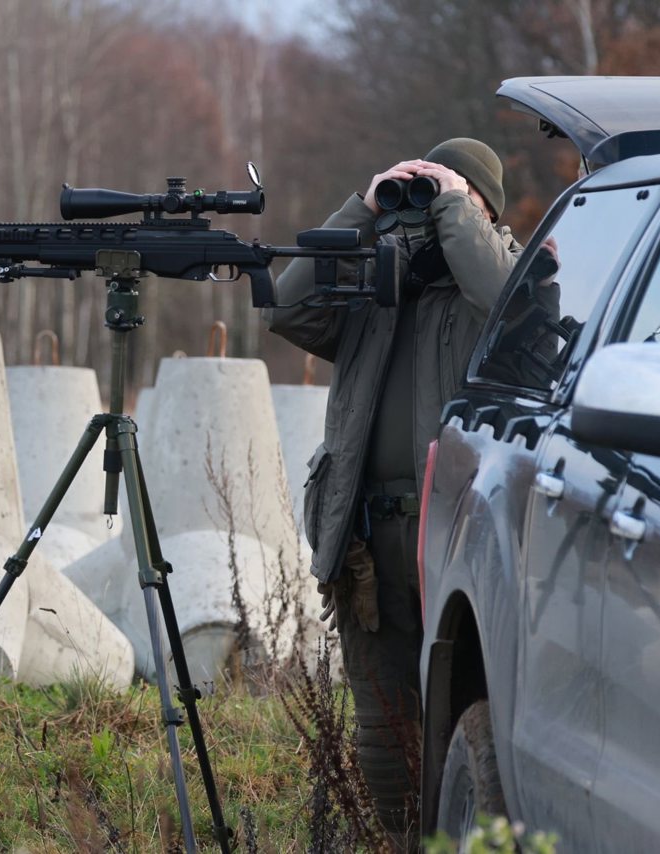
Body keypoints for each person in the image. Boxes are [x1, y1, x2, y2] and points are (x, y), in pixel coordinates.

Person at [266, 138, 521, 846]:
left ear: (482, 210)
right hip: (370, 545)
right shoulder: (376, 288)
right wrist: (365, 205)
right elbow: (286, 311)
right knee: (382, 733)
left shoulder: (508, 275)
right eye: (419, 195)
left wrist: (454, 211)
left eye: (446, 197)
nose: (424, 211)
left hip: (457, 538)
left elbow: (505, 302)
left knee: (464, 716)